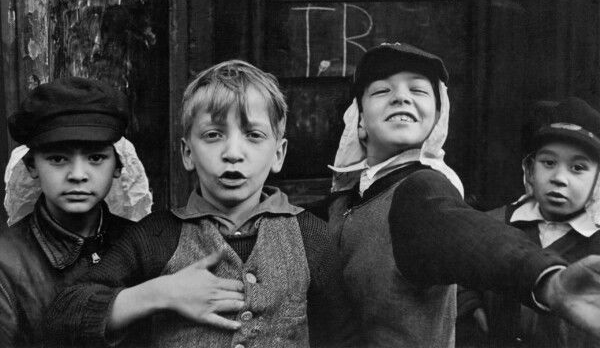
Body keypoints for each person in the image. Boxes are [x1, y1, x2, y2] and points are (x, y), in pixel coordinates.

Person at [45, 60, 356, 348]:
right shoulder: (156, 237)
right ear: (187, 153)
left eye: (253, 135)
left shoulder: (311, 237)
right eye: (213, 135)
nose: (233, 152)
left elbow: (341, 336)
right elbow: (64, 315)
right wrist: (158, 293)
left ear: (278, 154)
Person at [327, 42, 600, 347]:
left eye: (418, 90)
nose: (401, 96)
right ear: (359, 120)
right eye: (381, 91)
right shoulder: (344, 200)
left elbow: (467, 232)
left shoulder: (420, 189)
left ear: (437, 117)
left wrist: (547, 279)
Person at [0, 77, 153, 348]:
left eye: (95, 158)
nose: (78, 175)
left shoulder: (145, 244)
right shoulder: (6, 263)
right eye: (58, 158)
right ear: (32, 166)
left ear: (118, 165)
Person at [457, 97, 600, 348]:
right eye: (549, 163)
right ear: (530, 169)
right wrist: (469, 304)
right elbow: (458, 269)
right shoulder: (493, 223)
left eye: (577, 167)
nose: (559, 178)